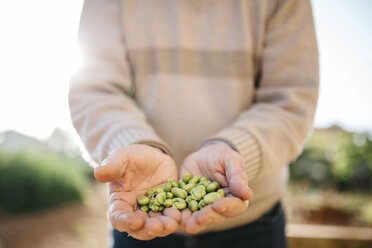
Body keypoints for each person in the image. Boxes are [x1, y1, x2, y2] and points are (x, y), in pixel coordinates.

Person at [69, 0, 319, 247]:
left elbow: (291, 100)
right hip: (139, 218)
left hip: (254, 223)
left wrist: (234, 150)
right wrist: (131, 142)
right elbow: (94, 90)